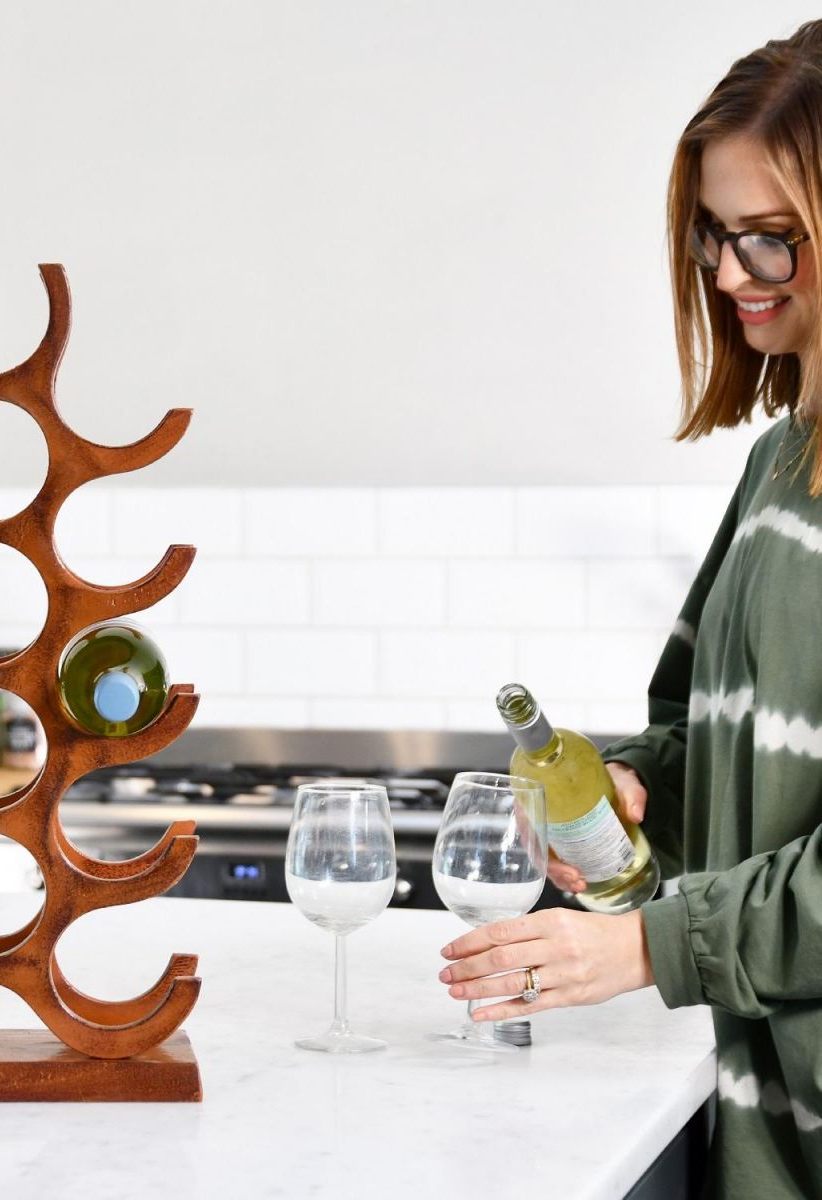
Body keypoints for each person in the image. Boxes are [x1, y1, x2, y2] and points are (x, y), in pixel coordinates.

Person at [439, 20, 822, 1197]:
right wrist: (632, 784)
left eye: (771, 241)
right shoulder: (778, 468)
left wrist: (649, 944)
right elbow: (717, 745)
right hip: (771, 1121)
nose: (725, 277)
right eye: (715, 236)